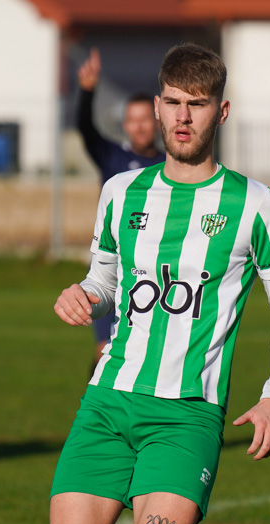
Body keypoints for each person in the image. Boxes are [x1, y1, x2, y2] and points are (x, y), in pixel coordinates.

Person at [47, 43, 270, 524]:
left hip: (186, 415)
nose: (182, 117)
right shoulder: (121, 191)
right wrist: (83, 294)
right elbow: (105, 279)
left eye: (198, 103)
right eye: (172, 102)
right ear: (158, 107)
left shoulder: (256, 204)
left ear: (222, 111)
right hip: (106, 403)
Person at [76, 48, 166, 366]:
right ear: (124, 124)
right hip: (113, 267)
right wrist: (88, 91)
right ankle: (98, 415)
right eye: (132, 120)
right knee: (105, 354)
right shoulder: (112, 157)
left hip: (154, 271)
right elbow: (85, 130)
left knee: (147, 355)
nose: (139, 126)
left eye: (145, 119)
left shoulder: (170, 166)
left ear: (156, 122)